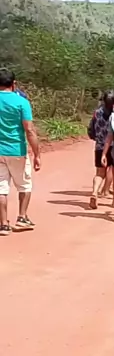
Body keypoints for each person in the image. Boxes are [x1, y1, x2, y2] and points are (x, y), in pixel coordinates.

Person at [0, 68, 41, 236]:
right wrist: (37, 154)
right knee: (24, 184)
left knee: (1, 188)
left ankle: (3, 224)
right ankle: (22, 218)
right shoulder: (22, 102)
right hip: (17, 150)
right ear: (14, 83)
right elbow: (29, 130)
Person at [88, 90, 114, 210]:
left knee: (99, 173)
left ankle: (95, 192)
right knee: (113, 170)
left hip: (100, 145)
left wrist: (95, 137)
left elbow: (91, 128)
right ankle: (108, 193)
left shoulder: (97, 112)